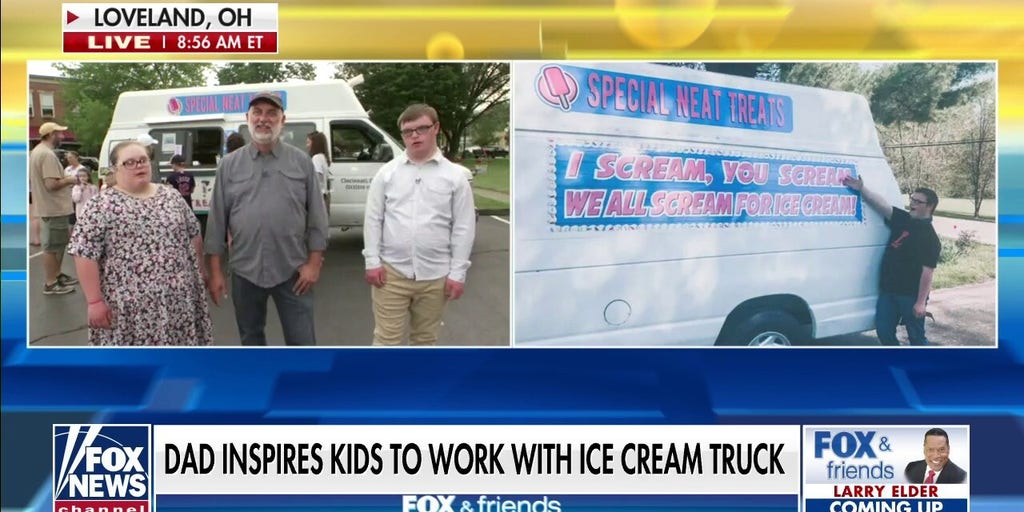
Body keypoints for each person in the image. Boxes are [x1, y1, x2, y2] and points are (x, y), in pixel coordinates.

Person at [205, 91, 329, 346]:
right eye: (257, 113)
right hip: (244, 271)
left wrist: (314, 264)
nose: (264, 119)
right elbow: (217, 222)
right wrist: (215, 272)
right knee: (251, 340)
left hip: (294, 271)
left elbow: (318, 216)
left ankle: (303, 386)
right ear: (247, 118)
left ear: (282, 120)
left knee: (302, 342)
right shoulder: (229, 165)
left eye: (272, 113)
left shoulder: (301, 162)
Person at [67, 140, 212, 346]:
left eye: (143, 160)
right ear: (115, 169)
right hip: (128, 312)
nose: (139, 166)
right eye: (129, 162)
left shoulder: (171, 196)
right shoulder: (100, 205)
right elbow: (83, 253)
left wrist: (201, 271)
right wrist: (94, 301)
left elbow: (193, 233)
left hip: (179, 303)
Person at [363, 104, 476, 346]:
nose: (414, 136)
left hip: (436, 277)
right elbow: (373, 219)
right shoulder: (387, 174)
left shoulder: (455, 177)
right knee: (386, 340)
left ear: (436, 128)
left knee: (425, 340)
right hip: (391, 274)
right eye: (407, 131)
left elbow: (463, 227)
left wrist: (458, 273)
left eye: (421, 129)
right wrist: (372, 261)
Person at [843, 176, 941, 346]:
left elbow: (928, 272)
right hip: (888, 291)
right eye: (912, 199)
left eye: (918, 202)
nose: (913, 204)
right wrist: (861, 188)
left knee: (916, 337)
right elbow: (881, 206)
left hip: (910, 295)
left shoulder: (930, 238)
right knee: (884, 330)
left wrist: (920, 302)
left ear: (930, 207)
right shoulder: (903, 219)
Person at [29, 122, 79, 295]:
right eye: (59, 133)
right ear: (51, 135)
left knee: (57, 244)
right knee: (51, 247)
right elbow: (51, 184)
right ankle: (51, 283)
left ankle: (57, 275)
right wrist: (70, 180)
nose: (62, 136)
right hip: (53, 208)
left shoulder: (36, 152)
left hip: (48, 207)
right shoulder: (47, 155)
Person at [307, 131, 331, 212]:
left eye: (308, 142)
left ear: (315, 144)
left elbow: (316, 179)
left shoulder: (316, 158)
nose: (307, 146)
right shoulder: (322, 157)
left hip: (318, 198)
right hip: (324, 196)